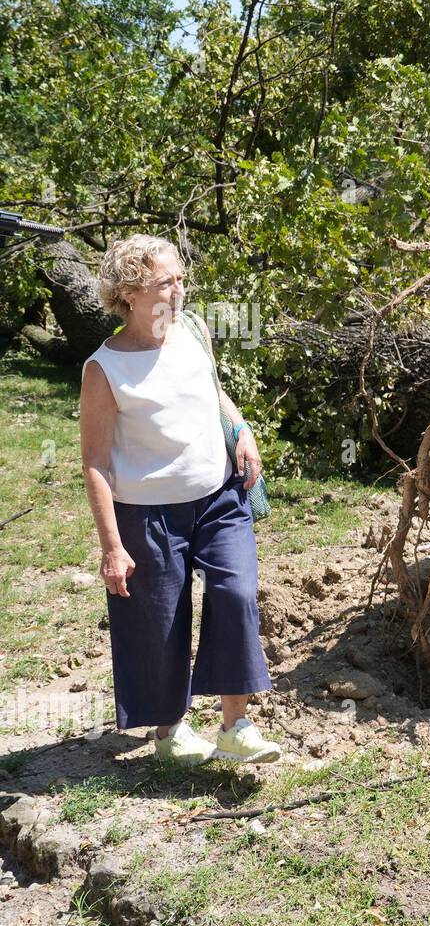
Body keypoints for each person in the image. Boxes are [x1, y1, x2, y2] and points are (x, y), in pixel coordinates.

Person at [79, 234, 281, 766]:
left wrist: (241, 427)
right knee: (161, 622)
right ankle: (170, 732)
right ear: (129, 293)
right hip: (147, 514)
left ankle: (236, 724)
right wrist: (111, 546)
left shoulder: (192, 330)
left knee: (237, 593)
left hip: (218, 496)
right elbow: (95, 463)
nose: (180, 288)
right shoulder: (103, 369)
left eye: (180, 277)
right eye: (166, 281)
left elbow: (211, 390)